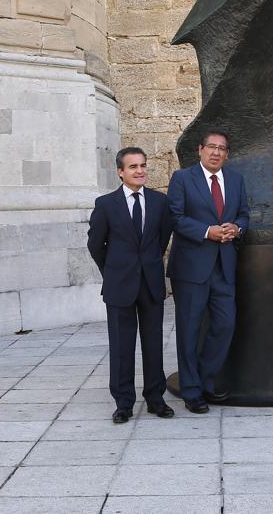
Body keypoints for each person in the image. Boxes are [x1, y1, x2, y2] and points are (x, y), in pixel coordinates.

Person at [87, 146, 176, 423]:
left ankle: (155, 398)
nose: (140, 171)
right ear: (120, 172)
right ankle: (123, 402)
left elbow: (162, 240)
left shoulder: (160, 202)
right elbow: (95, 245)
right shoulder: (106, 204)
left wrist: (147, 265)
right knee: (121, 346)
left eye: (143, 166)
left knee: (153, 344)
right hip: (119, 285)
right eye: (133, 167)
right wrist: (113, 271)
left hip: (150, 283)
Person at [167, 129, 249, 413]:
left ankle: (205, 380)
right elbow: (175, 217)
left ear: (227, 154)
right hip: (191, 268)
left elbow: (244, 215)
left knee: (225, 325)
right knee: (189, 331)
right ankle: (192, 392)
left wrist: (237, 228)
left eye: (222, 148)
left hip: (224, 267)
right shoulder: (182, 178)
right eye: (211, 147)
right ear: (200, 150)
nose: (216, 152)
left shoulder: (236, 180)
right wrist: (206, 231)